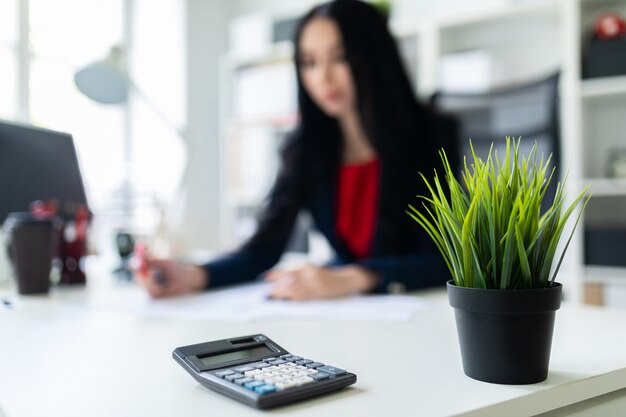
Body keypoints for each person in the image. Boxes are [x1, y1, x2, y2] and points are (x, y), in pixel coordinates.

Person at [137, 0, 458, 300]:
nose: (323, 77)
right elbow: (263, 250)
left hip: (423, 310)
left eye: (340, 57)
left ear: (373, 56)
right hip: (352, 317)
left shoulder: (431, 134)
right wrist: (192, 275)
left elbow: (449, 260)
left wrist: (354, 278)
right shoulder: (306, 148)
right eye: (309, 62)